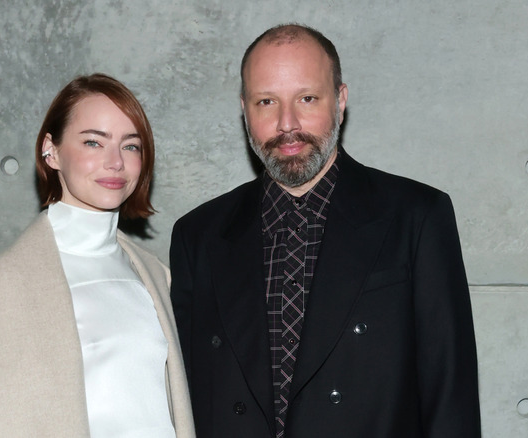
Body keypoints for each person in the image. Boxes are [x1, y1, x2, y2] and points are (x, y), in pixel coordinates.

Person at [170, 24, 481, 437]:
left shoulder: (416, 217)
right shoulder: (199, 235)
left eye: (307, 98)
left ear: (341, 100)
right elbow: (183, 396)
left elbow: (450, 398)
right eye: (267, 101)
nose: (287, 123)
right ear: (245, 109)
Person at [0, 74, 194, 437]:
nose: (116, 162)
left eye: (131, 146)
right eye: (93, 142)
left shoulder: (155, 275)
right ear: (51, 151)